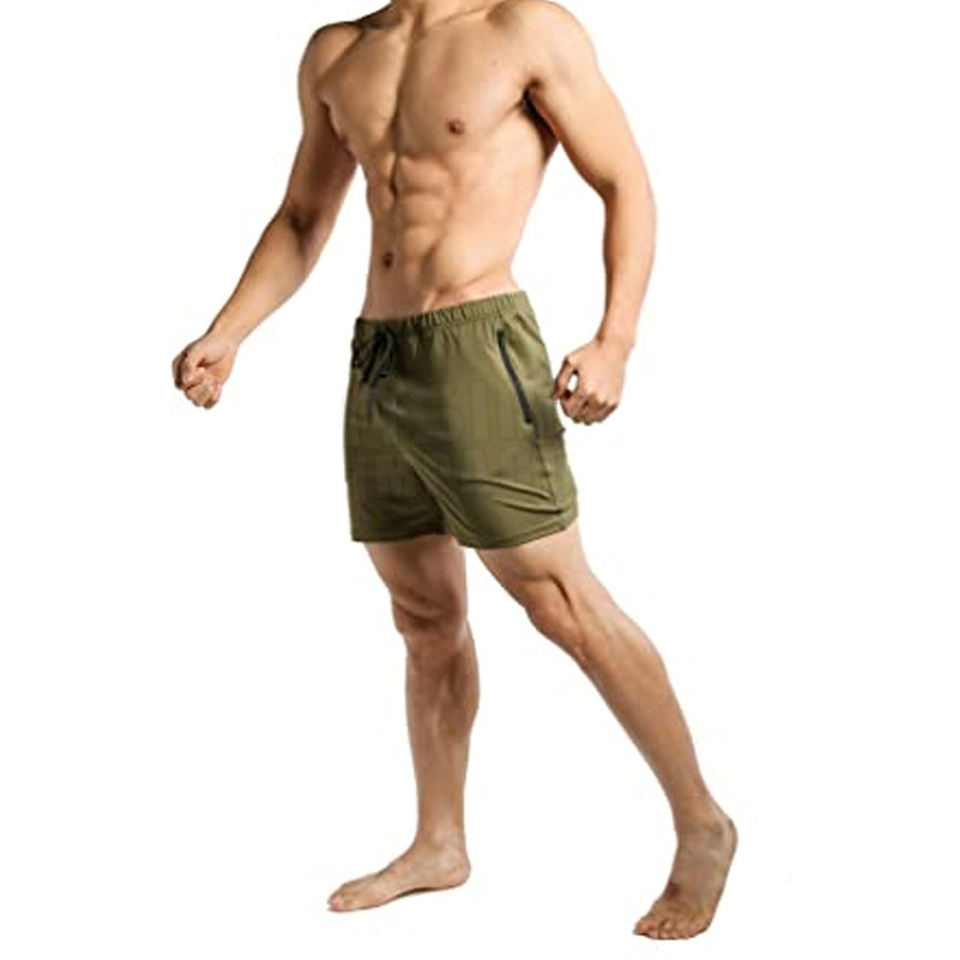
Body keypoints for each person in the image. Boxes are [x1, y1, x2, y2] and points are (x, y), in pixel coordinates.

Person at [172, 0, 735, 940]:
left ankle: (701, 824)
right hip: (378, 357)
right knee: (424, 616)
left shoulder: (524, 30)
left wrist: (616, 339)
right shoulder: (337, 52)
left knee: (561, 601)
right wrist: (228, 332)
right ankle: (440, 842)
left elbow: (624, 181)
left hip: (480, 341)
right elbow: (304, 216)